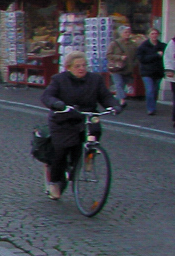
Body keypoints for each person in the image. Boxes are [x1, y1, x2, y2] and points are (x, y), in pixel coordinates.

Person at [39, 51, 118, 200]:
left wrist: (114, 105)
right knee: (61, 152)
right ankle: (55, 182)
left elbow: (105, 96)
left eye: (84, 65)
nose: (81, 68)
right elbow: (47, 96)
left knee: (94, 130)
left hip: (87, 116)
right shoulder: (59, 79)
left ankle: (90, 153)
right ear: (68, 67)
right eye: (77, 66)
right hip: (64, 119)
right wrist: (56, 104)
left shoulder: (95, 79)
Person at [136, 27, 165, 114]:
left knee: (155, 91)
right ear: (148, 35)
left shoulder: (162, 46)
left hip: (158, 72)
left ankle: (153, 105)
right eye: (152, 34)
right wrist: (156, 55)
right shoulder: (143, 46)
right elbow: (142, 59)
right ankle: (150, 109)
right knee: (150, 90)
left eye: (156, 34)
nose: (154, 36)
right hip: (147, 72)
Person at [106, 25, 135, 102]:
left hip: (127, 68)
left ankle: (117, 99)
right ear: (121, 33)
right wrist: (119, 57)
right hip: (116, 68)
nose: (127, 34)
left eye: (128, 32)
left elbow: (135, 56)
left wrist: (133, 64)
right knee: (118, 83)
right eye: (125, 32)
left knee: (122, 85)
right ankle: (122, 101)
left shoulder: (132, 44)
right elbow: (108, 55)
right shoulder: (114, 43)